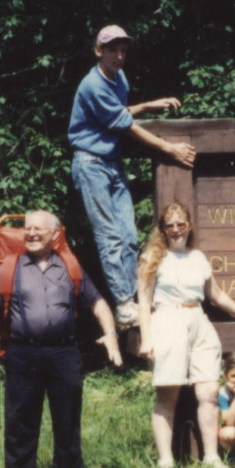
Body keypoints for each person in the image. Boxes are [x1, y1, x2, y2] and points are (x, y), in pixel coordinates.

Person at [0, 210, 123, 468]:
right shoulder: (11, 267)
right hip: (22, 354)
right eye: (27, 229)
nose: (31, 233)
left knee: (67, 421)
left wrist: (111, 335)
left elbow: (98, 302)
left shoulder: (70, 266)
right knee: (20, 424)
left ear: (55, 234)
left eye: (39, 229)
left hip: (64, 353)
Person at [68, 24, 196, 328]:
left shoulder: (118, 77)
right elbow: (124, 126)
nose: (119, 55)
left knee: (128, 235)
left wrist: (150, 104)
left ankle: (135, 300)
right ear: (99, 50)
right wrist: (169, 148)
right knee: (110, 236)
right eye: (113, 49)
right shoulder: (92, 84)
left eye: (124, 49)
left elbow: (118, 112)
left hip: (112, 163)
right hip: (91, 165)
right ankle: (125, 305)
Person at [137, 203, 235, 468]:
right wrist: (146, 338)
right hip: (167, 320)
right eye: (170, 225)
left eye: (180, 224)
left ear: (189, 226)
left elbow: (216, 295)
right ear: (163, 229)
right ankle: (166, 461)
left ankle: (212, 457)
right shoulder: (153, 256)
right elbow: (143, 299)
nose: (176, 230)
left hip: (198, 320)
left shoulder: (197, 257)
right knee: (168, 394)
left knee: (208, 391)